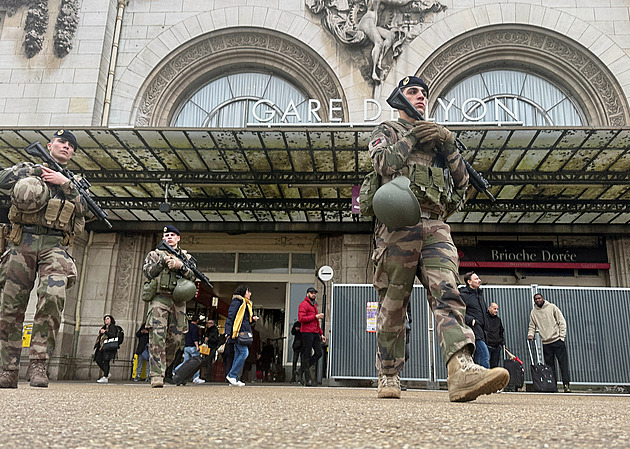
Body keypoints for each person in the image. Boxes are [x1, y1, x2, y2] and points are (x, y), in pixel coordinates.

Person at [368, 76, 508, 401]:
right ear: (399, 97)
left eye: (424, 93)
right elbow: (382, 163)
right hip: (397, 224)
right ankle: (388, 374)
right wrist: (413, 136)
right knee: (392, 305)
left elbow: (461, 185)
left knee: (449, 293)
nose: (420, 97)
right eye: (413, 92)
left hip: (435, 224)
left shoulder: (439, 140)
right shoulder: (387, 130)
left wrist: (448, 143)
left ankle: (461, 367)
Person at [0, 129, 89, 389]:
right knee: (10, 306)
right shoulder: (29, 166)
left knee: (53, 298)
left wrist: (65, 183)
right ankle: (8, 369)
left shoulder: (75, 180)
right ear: (50, 145)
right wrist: (33, 171)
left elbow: (85, 209)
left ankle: (38, 365)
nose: (67, 147)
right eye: (62, 142)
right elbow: (2, 179)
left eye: (71, 146)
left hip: (55, 245)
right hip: (22, 241)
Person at [142, 225, 197, 388]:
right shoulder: (155, 254)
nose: (169, 238)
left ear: (178, 238)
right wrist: (162, 262)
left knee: (177, 338)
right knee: (157, 335)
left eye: (173, 235)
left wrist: (180, 266)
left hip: (179, 300)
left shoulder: (185, 256)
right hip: (160, 298)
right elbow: (147, 272)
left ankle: (164, 369)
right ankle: (156, 375)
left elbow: (194, 276)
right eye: (166, 235)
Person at [528, 293, 571, 393]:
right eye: (536, 299)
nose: (538, 300)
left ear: (543, 298)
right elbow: (532, 325)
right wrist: (530, 334)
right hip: (546, 343)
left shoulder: (552, 307)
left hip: (557, 340)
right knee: (550, 367)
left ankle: (566, 385)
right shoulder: (534, 312)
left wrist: (562, 337)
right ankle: (553, 386)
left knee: (563, 364)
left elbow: (561, 322)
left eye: (539, 298)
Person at [224, 285, 258, 386]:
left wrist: (252, 319)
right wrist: (228, 332)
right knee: (244, 353)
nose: (250, 294)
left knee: (238, 354)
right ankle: (232, 375)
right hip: (238, 332)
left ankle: (233, 377)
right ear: (243, 292)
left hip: (241, 331)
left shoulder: (246, 304)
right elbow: (231, 317)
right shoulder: (238, 302)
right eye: (248, 291)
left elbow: (245, 320)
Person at [459, 272, 490, 368]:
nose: (479, 280)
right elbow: (458, 311)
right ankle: (486, 380)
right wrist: (471, 320)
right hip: (473, 331)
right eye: (476, 279)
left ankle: (476, 381)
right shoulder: (463, 295)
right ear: (469, 282)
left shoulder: (479, 295)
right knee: (484, 355)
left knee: (476, 359)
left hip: (482, 331)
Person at [298, 287, 326, 386]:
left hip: (314, 332)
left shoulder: (314, 305)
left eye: (314, 293)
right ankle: (307, 379)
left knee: (318, 353)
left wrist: (321, 333)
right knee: (307, 354)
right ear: (307, 294)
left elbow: (316, 323)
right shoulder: (304, 305)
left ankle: (301, 370)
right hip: (306, 332)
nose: (313, 294)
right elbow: (301, 318)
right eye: (311, 293)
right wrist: (315, 316)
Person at [174, 315, 205, 384]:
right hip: (193, 346)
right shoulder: (195, 328)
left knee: (186, 362)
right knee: (197, 362)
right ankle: (196, 377)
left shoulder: (187, 326)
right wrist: (197, 346)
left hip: (186, 346)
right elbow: (195, 337)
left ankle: (176, 371)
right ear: (197, 320)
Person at [94, 315, 122, 383]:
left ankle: (105, 376)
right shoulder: (104, 327)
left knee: (106, 361)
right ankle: (107, 373)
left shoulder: (112, 326)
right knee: (98, 359)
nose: (106, 320)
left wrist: (105, 332)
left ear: (111, 320)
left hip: (108, 347)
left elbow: (113, 335)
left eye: (108, 319)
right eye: (105, 319)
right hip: (102, 346)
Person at [486, 302, 505, 369]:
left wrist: (502, 343)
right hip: (487, 345)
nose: (496, 310)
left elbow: (501, 332)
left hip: (496, 347)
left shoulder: (498, 320)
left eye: (497, 309)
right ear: (489, 308)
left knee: (494, 366)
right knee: (485, 365)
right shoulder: (485, 318)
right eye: (494, 309)